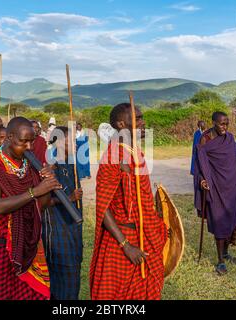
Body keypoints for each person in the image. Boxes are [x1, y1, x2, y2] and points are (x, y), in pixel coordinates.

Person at [0, 117, 62, 300]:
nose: (29, 147)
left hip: (29, 245)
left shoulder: (29, 165)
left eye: (31, 141)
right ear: (9, 137)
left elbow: (42, 205)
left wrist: (46, 183)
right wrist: (34, 191)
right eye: (23, 142)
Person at [90, 103, 167, 300]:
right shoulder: (112, 156)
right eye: (138, 119)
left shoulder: (134, 152)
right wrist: (126, 245)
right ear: (121, 123)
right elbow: (103, 207)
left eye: (142, 118)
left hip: (143, 234)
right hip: (122, 241)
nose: (143, 123)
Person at [194, 111, 236, 275]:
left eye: (227, 123)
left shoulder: (229, 138)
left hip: (232, 185)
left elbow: (233, 161)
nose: (225, 127)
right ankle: (220, 261)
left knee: (231, 220)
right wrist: (201, 179)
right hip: (215, 186)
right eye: (222, 123)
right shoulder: (205, 139)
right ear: (213, 122)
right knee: (220, 221)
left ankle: (226, 253)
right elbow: (199, 164)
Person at [42, 126, 83, 300]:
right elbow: (42, 203)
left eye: (74, 140)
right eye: (69, 140)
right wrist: (69, 198)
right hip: (57, 231)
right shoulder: (50, 167)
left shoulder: (71, 163)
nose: (73, 144)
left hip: (73, 229)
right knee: (62, 282)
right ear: (58, 142)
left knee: (74, 277)